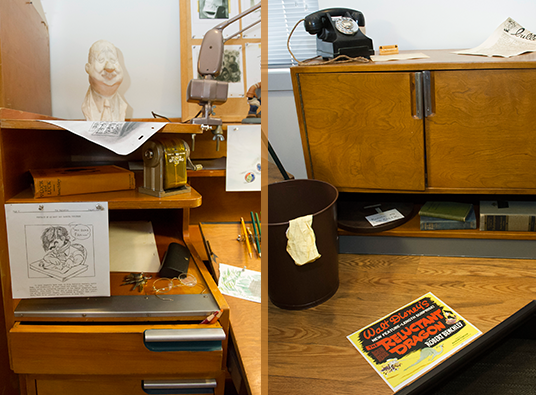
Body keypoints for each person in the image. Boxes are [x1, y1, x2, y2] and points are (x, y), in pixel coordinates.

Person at [82, 40, 127, 121]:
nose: (109, 67)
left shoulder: (122, 106)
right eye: (101, 60)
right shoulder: (86, 106)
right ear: (87, 68)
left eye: (113, 60)